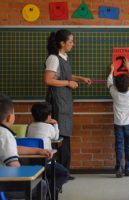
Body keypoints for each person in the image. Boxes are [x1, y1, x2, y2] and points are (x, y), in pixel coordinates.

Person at [44, 29, 91, 180]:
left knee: (65, 136)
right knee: (60, 136)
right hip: (57, 101)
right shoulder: (53, 58)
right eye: (70, 41)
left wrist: (80, 78)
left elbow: (66, 75)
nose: (73, 44)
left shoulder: (64, 57)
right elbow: (48, 80)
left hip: (65, 101)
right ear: (61, 43)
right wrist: (68, 83)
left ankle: (64, 172)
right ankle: (59, 172)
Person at [0, 94, 51, 200]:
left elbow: (13, 148)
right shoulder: (4, 135)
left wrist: (37, 150)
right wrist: (25, 175)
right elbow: (14, 165)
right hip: (3, 188)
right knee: (41, 185)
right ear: (9, 118)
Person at [27, 102, 69, 191]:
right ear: (48, 116)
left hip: (32, 163)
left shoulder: (30, 126)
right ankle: (51, 190)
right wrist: (55, 124)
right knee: (64, 173)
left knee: (47, 175)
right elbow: (56, 137)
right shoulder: (49, 127)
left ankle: (45, 188)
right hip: (46, 164)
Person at [107, 59, 129, 178]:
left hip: (118, 123)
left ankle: (119, 168)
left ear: (116, 86)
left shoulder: (114, 92)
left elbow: (109, 82)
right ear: (128, 85)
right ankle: (128, 168)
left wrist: (111, 71)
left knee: (119, 145)